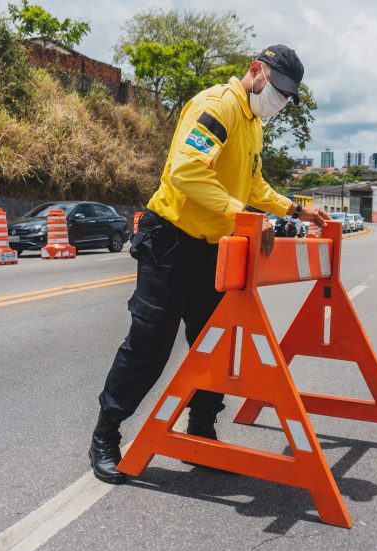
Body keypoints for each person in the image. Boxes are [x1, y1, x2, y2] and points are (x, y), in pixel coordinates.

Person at [89, 45, 330, 485]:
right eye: (276, 90)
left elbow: (252, 182)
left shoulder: (253, 123)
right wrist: (246, 217)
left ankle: (200, 426)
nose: (278, 101)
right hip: (171, 242)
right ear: (256, 71)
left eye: (286, 97)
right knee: (149, 345)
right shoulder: (218, 106)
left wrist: (294, 210)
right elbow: (186, 172)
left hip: (212, 248)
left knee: (215, 343)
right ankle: (107, 434)